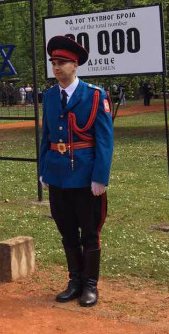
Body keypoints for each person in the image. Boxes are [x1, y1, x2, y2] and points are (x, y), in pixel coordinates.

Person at [40, 35, 114, 307]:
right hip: (58, 174)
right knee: (67, 232)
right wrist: (43, 169)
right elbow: (45, 135)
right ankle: (74, 281)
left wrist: (100, 177)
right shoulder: (49, 96)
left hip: (85, 177)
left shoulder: (95, 95)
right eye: (53, 63)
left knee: (90, 232)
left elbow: (105, 140)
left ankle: (90, 285)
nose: (56, 68)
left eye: (61, 63)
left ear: (75, 65)